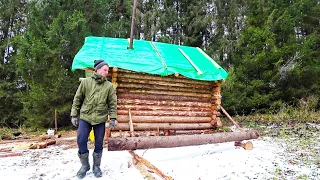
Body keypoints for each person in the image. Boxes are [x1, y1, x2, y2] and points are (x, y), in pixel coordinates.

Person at [70, 59, 117, 179]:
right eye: (105, 70)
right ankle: (85, 166)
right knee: (81, 140)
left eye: (108, 70)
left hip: (100, 119)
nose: (107, 72)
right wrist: (74, 115)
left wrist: (113, 118)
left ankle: (96, 166)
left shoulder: (109, 86)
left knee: (99, 143)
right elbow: (77, 99)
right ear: (98, 69)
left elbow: (112, 103)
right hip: (85, 117)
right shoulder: (85, 82)